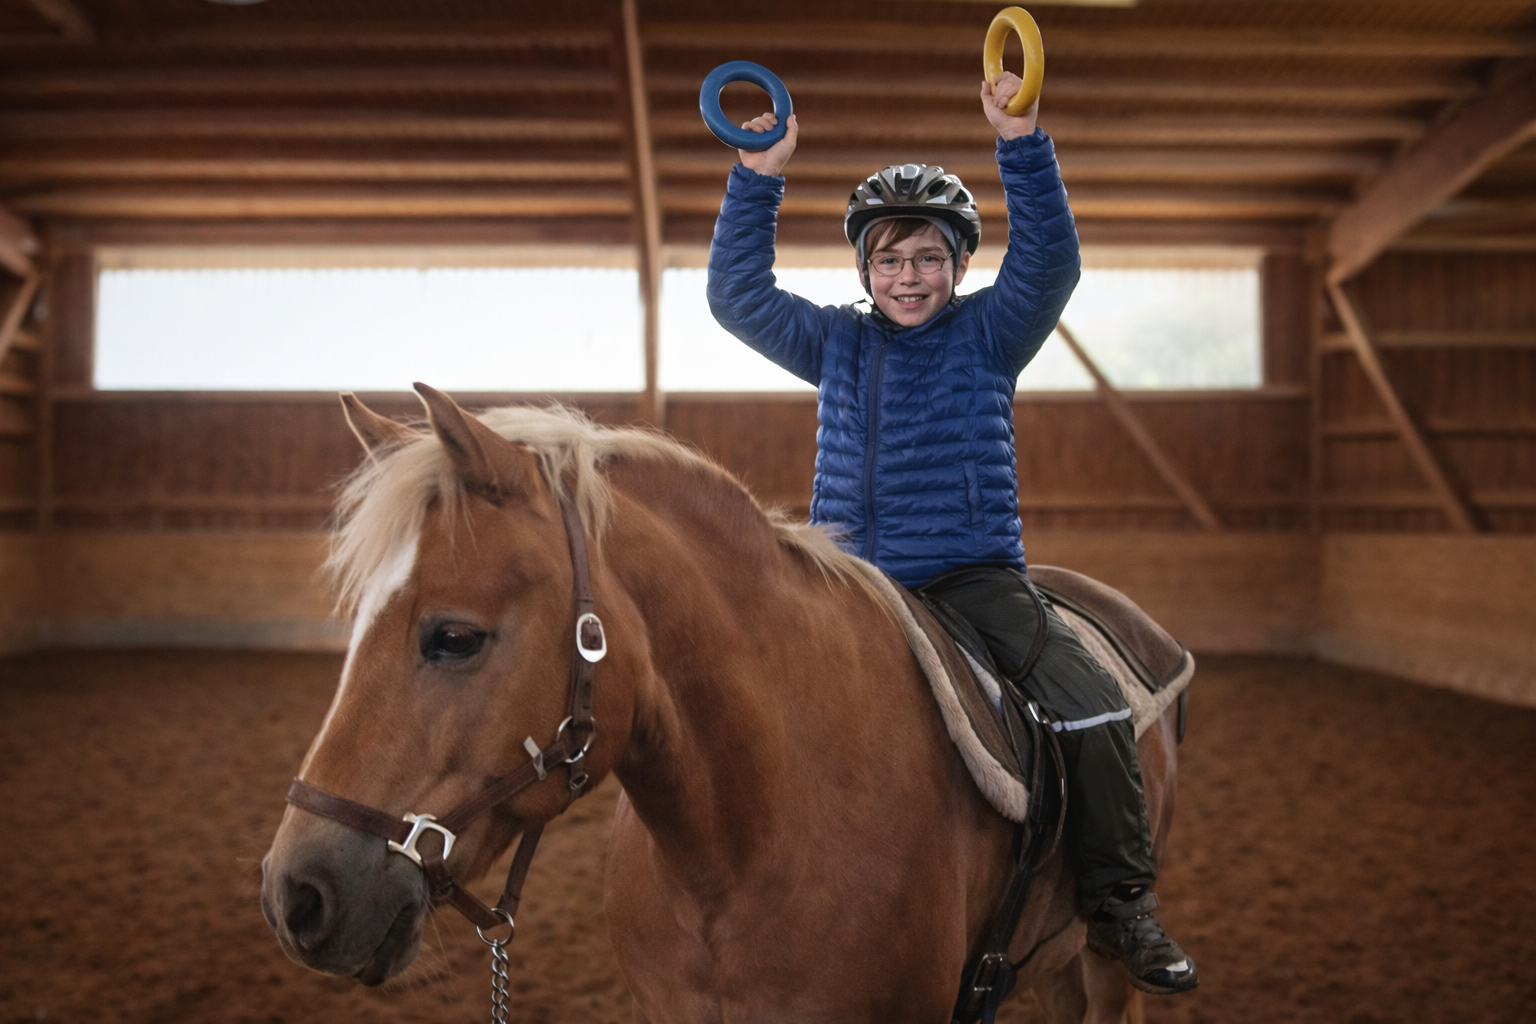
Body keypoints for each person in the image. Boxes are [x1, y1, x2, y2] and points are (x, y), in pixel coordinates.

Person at [704, 71, 1198, 996]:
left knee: (1091, 705)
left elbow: (1051, 263)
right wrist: (757, 177)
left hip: (973, 580)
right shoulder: (835, 342)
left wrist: (1021, 142)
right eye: (890, 260)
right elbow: (737, 297)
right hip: (851, 583)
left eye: (928, 258)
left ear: (961, 266)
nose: (908, 277)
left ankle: (1121, 903)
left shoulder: (992, 333)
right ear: (864, 271)